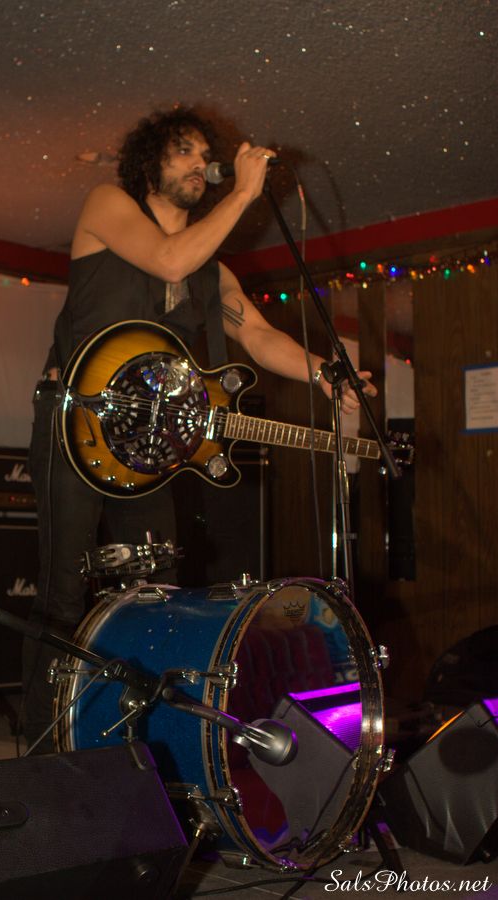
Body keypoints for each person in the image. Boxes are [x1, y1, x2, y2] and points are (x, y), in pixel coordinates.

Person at [22, 107, 376, 752]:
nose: (199, 164)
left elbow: (258, 335)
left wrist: (327, 373)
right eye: (183, 151)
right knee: (62, 595)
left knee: (154, 597)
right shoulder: (109, 204)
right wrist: (244, 192)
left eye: (203, 154)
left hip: (148, 447)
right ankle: (41, 760)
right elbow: (166, 259)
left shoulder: (210, 269)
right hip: (76, 420)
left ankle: (134, 749)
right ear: (149, 162)